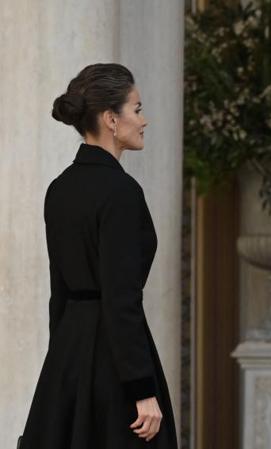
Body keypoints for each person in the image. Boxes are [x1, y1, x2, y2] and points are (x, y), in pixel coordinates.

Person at [18, 63, 177, 449]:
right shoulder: (120, 192)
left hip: (68, 358)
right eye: (136, 109)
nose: (144, 120)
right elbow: (121, 298)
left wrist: (62, 368)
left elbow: (60, 291)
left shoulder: (59, 188)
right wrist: (142, 389)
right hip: (113, 363)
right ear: (110, 118)